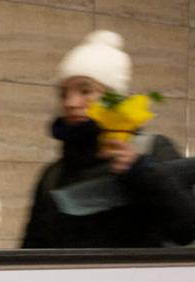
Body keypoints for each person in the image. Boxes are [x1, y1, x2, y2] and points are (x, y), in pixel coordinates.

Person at [22, 31, 195, 248]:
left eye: (85, 90)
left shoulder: (151, 150)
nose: (71, 102)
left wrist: (143, 172)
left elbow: (186, 229)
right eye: (64, 94)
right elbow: (30, 255)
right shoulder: (53, 176)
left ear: (114, 97)